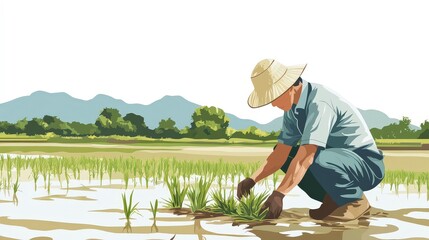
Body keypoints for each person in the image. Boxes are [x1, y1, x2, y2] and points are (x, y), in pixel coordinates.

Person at [236, 59, 385, 221]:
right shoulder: (293, 110)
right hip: (337, 160)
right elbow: (281, 152)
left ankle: (355, 201)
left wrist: (279, 194)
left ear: (289, 87)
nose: (272, 104)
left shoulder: (319, 102)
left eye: (274, 97)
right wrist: (252, 179)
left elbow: (307, 156)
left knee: (318, 159)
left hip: (366, 164)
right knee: (289, 158)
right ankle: (334, 199)